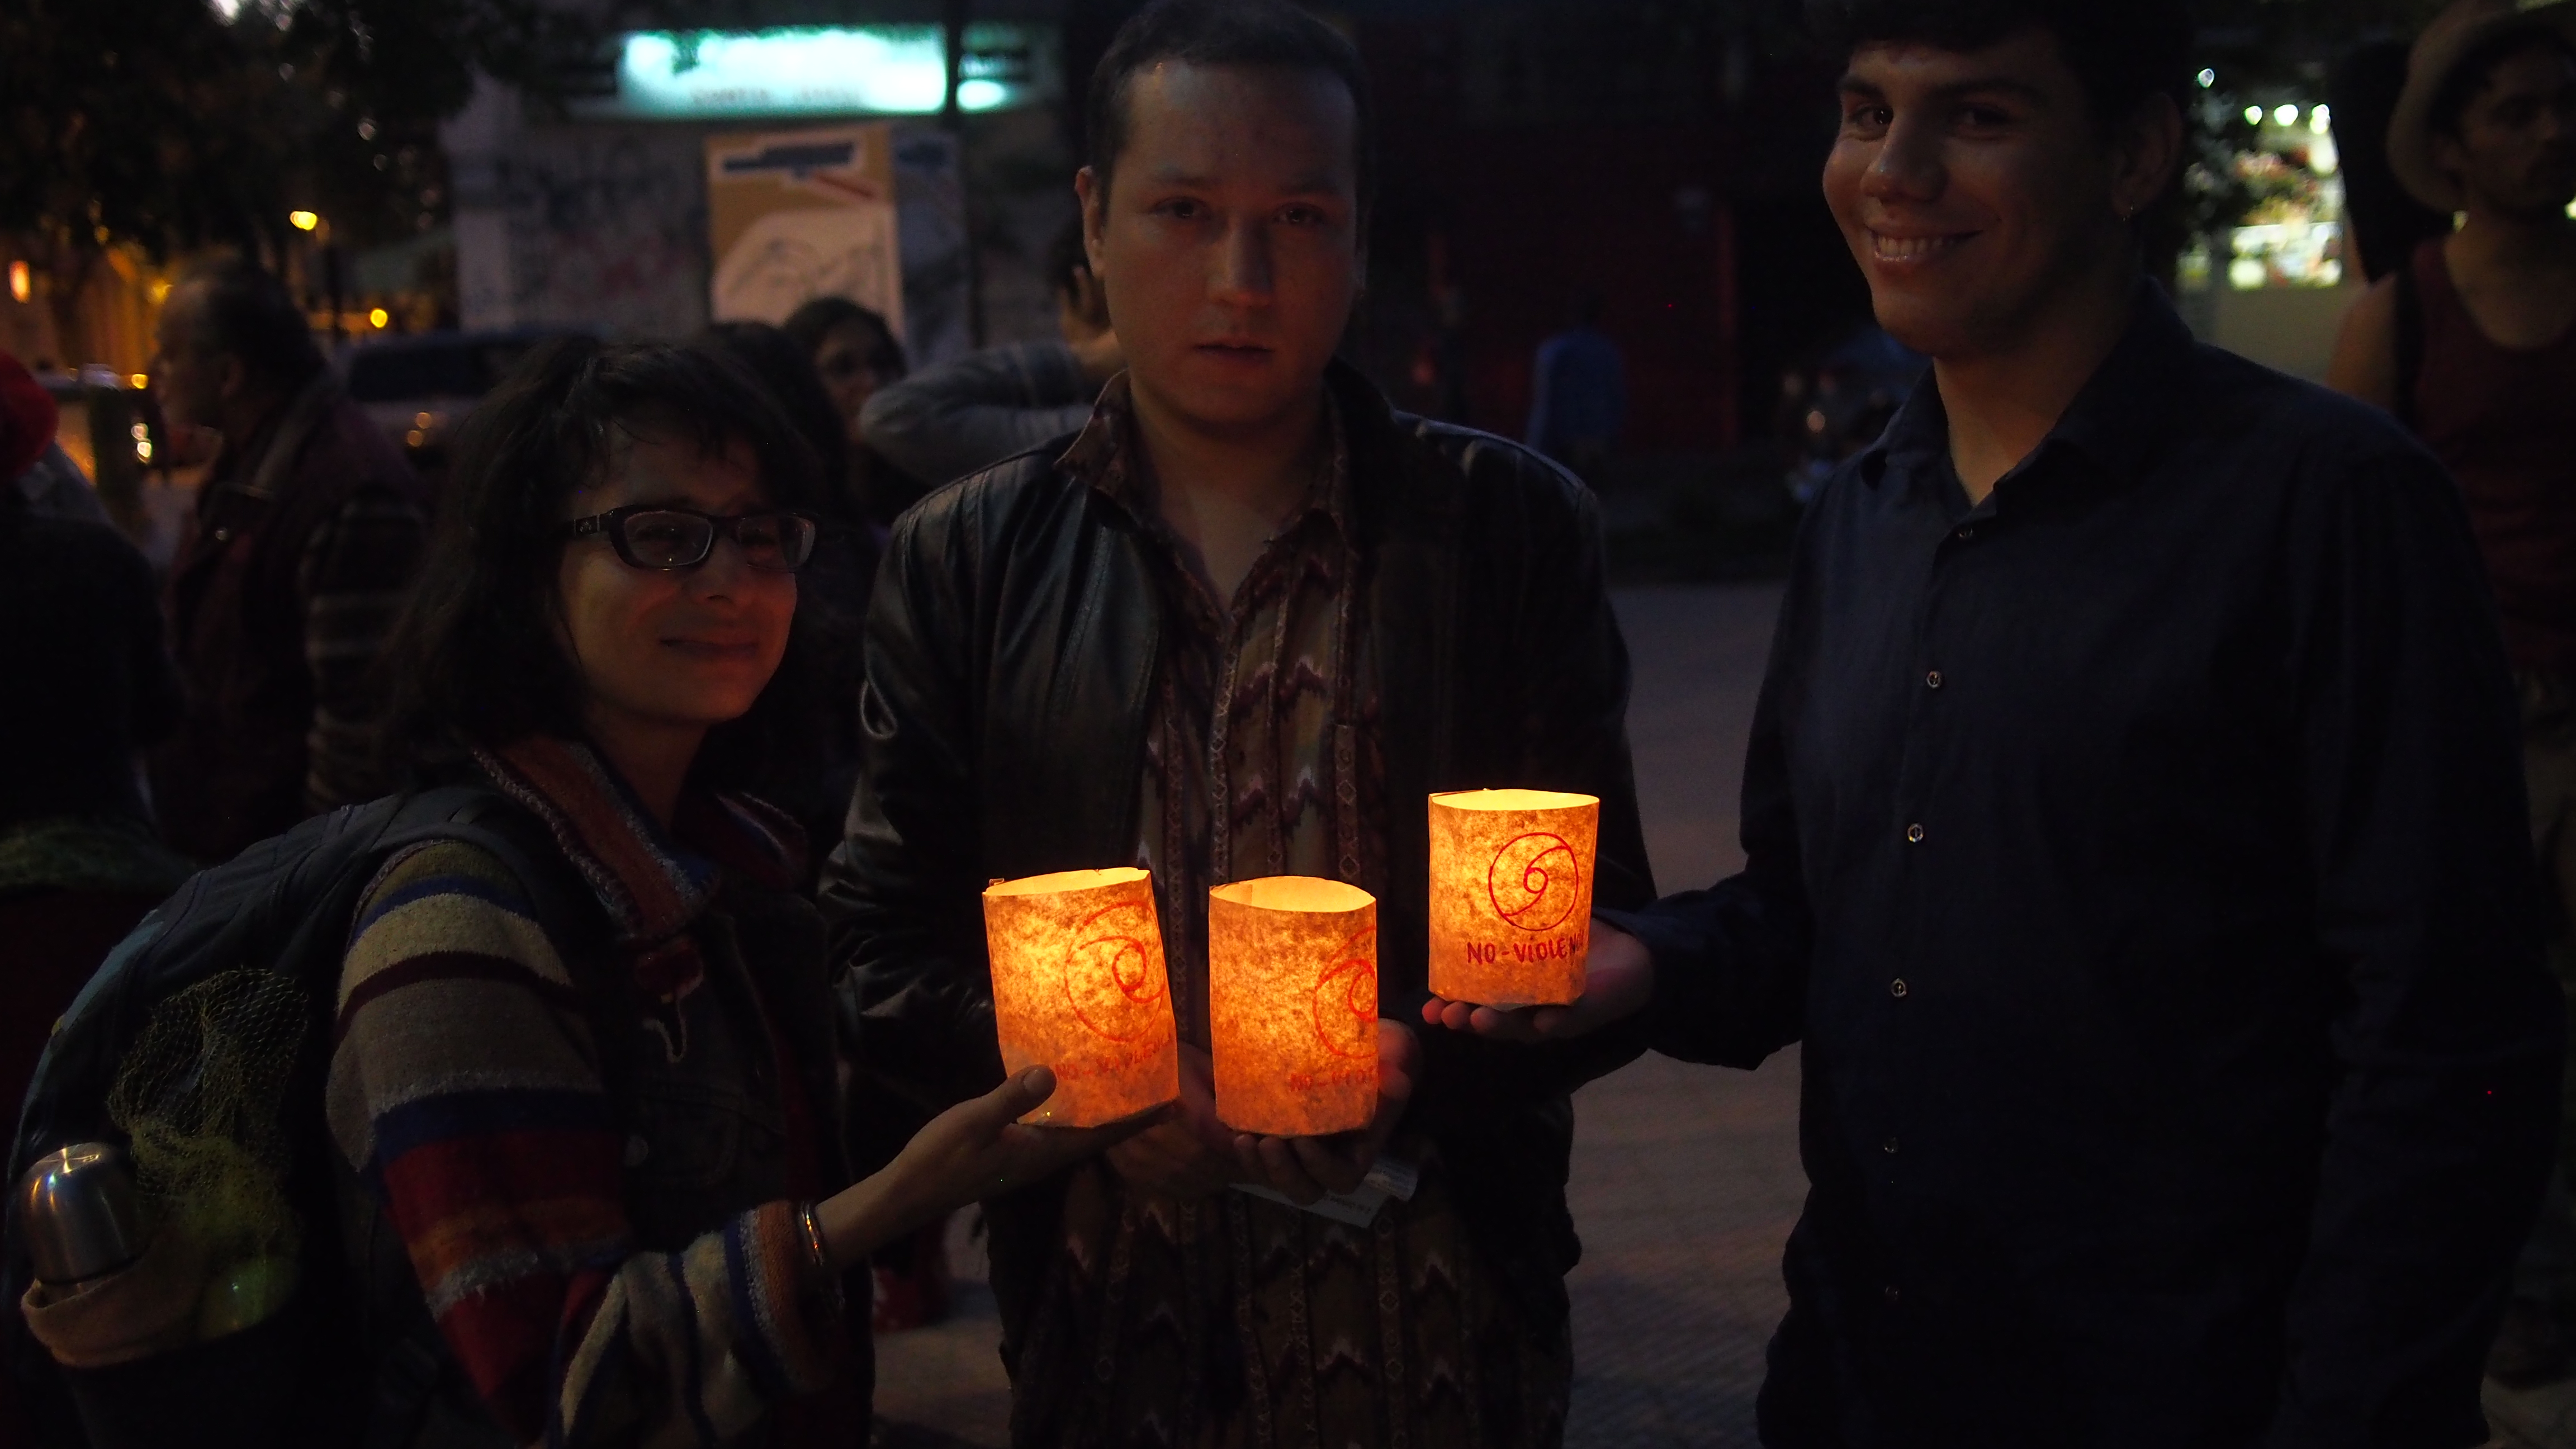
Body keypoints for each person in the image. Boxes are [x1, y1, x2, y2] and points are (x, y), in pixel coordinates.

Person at [1431, 1, 2563, 1442]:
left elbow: (2446, 1041)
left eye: (1977, 115)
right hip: (1864, 1378)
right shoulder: (1862, 515)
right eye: (1866, 112)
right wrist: (1644, 963)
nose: (1895, 172)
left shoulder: (2327, 505)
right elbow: (1814, 906)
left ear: (2135, 155)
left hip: (2186, 1390)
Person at [821, 2, 1655, 1444]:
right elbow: (873, 952)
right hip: (1110, 1336)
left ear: (1361, 237)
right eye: (1185, 212)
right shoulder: (973, 559)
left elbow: (1599, 924)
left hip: (1435, 1327)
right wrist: (1094, 1090)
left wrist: (1429, 1066)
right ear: (1095, 221)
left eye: (1299, 219)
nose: (1240, 279)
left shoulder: (1502, 530)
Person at [339, 337, 1154, 1443]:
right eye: (661, 535)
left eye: (758, 534)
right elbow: (570, 1390)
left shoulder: (732, 867)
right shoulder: (460, 925)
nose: (729, 582)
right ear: (526, 572)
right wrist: (889, 1205)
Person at [2326, 0, 2576, 1386]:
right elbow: (2361, 549)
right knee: (2482, 1011)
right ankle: (2522, 1286)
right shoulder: (2400, 314)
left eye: (2563, 105)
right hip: (2473, 718)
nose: (2550, 133)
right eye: (2514, 112)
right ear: (2453, 146)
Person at [147, 258, 427, 864]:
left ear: (229, 374)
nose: (156, 373)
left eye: (169, 355)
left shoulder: (347, 490)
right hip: (236, 850)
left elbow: (359, 737)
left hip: (281, 869)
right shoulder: (250, 467)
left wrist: (299, 879)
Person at [858, 219, 1125, 488]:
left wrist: (1089, 359)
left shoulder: (1097, 434)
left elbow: (892, 415)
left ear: (1084, 293)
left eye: (1057, 308)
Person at [782, 297, 925, 529]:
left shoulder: (923, 489)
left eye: (881, 363)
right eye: (843, 369)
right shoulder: (793, 512)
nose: (871, 382)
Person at [1523, 291, 1626, 481]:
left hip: (1559, 444)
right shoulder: (1607, 352)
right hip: (1596, 441)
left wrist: (1536, 447)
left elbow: (1546, 401)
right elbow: (1615, 399)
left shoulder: (1555, 351)